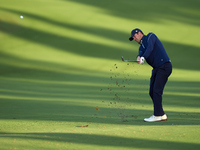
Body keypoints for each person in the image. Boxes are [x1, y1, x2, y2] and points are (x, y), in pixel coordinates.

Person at [129, 28, 172, 122]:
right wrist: (139, 57)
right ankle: (161, 114)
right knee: (152, 92)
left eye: (134, 36)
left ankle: (157, 115)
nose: (134, 39)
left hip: (164, 66)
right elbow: (140, 52)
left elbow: (150, 47)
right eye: (133, 38)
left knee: (156, 91)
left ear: (139, 33)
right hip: (157, 68)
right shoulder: (141, 46)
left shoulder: (150, 36)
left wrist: (143, 57)